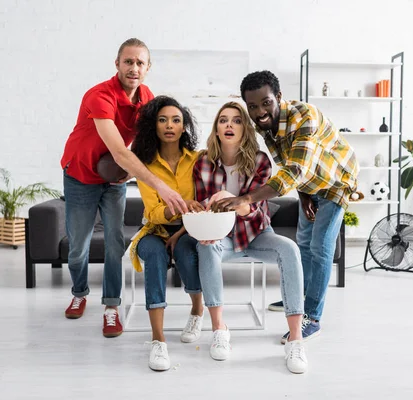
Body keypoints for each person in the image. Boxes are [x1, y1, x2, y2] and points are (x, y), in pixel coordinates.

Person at [212, 71, 359, 345]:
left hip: (337, 183)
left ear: (278, 97)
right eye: (252, 106)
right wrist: (303, 194)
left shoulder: (305, 117)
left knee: (320, 249)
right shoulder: (266, 126)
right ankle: (297, 298)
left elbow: (295, 169)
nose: (260, 112)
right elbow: (289, 164)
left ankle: (311, 318)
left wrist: (246, 199)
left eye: (266, 103)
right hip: (310, 184)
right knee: (302, 243)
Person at [60, 38, 188, 338]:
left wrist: (132, 177)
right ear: (117, 63)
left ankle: (111, 307)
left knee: (116, 243)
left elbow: (148, 145)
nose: (134, 68)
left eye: (140, 62)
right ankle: (79, 291)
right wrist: (161, 187)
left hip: (112, 180)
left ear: (148, 68)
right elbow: (119, 151)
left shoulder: (147, 99)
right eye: (128, 61)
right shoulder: (99, 96)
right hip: (80, 174)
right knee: (78, 247)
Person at [192, 102, 308, 374]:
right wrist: (209, 226)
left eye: (236, 120)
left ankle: (296, 338)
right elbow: (203, 205)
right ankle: (219, 328)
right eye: (223, 120)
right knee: (205, 248)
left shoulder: (260, 161)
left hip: (256, 233)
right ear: (216, 128)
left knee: (289, 249)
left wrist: (233, 202)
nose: (229, 125)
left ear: (245, 128)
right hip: (222, 235)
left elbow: (253, 210)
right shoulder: (203, 161)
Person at [129, 96, 205, 372]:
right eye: (162, 120)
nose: (169, 126)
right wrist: (179, 211)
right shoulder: (145, 164)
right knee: (152, 253)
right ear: (154, 125)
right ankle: (158, 340)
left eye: (176, 120)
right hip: (156, 229)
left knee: (185, 250)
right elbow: (153, 212)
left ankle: (197, 310)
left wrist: (181, 228)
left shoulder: (198, 159)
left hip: (192, 228)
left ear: (184, 127)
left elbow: (204, 203)